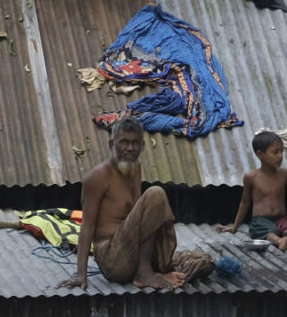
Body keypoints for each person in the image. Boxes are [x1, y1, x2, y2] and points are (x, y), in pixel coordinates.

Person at [62, 116, 215, 290]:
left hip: (135, 251)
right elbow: (86, 227)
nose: (130, 148)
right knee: (155, 193)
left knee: (203, 262)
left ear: (142, 146)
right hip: (112, 257)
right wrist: (81, 275)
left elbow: (143, 220)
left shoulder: (135, 168)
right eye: (124, 142)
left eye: (135, 143)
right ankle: (144, 273)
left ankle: (153, 270)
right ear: (112, 145)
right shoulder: (97, 177)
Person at [221, 131, 287, 250]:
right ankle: (280, 241)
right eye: (275, 152)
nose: (280, 156)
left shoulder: (285, 174)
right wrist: (234, 228)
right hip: (260, 219)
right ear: (260, 154)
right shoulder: (251, 177)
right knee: (264, 230)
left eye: (281, 151)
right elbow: (245, 203)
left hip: (281, 218)